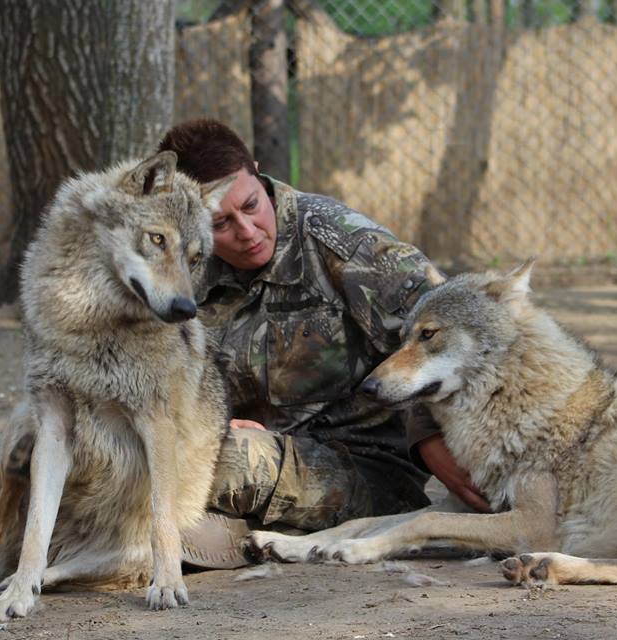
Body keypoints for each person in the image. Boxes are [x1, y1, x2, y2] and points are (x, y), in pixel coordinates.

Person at [158, 119, 490, 568]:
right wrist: (213, 419)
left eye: (252, 206)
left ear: (257, 173)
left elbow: (446, 336)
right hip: (249, 446)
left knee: (223, 458)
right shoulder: (178, 268)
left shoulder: (347, 244)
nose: (248, 231)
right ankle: (235, 533)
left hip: (365, 467)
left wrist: (428, 436)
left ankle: (202, 529)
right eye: (220, 224)